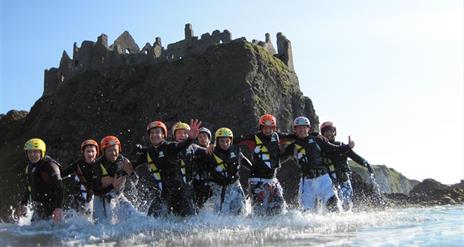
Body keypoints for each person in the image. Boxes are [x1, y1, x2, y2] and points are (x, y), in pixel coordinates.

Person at [283, 117, 353, 212]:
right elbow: (279, 160)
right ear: (295, 130)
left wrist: (347, 147)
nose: (302, 130)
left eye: (304, 127)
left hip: (323, 179)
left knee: (333, 205)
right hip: (307, 183)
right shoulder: (292, 147)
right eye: (299, 128)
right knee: (306, 213)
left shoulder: (317, 140)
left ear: (308, 128)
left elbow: (333, 148)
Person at [133, 119, 201, 217]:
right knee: (150, 218)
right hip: (164, 193)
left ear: (163, 135)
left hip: (180, 192)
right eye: (152, 133)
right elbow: (133, 166)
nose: (154, 135)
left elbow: (181, 145)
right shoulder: (148, 152)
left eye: (157, 132)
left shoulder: (170, 146)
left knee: (189, 220)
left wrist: (190, 138)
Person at [234, 114, 291, 216]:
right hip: (256, 180)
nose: (268, 130)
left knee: (279, 208)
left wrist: (315, 135)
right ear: (261, 127)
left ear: (274, 128)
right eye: (265, 127)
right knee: (259, 211)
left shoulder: (278, 137)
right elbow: (232, 141)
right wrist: (213, 145)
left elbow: (298, 137)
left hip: (272, 180)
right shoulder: (253, 138)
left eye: (270, 128)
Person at [320, 121, 374, 211]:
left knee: (347, 205)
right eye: (326, 132)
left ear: (335, 132)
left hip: (344, 181)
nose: (329, 133)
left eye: (331, 131)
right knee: (333, 204)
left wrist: (367, 164)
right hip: (330, 182)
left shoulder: (343, 146)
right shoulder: (321, 147)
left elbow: (355, 157)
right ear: (323, 134)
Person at [14, 138, 64, 224]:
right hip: (40, 205)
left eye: (35, 152)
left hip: (53, 205)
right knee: (34, 230)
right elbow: (29, 187)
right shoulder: (29, 167)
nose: (32, 155)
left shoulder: (50, 166)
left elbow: (60, 187)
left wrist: (58, 208)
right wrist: (23, 204)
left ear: (42, 152)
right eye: (30, 152)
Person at [91, 135, 138, 224]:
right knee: (102, 227)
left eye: (115, 150)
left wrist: (131, 173)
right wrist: (112, 185)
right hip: (101, 199)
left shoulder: (124, 161)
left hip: (118, 197)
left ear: (119, 149)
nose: (113, 153)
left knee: (137, 220)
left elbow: (135, 181)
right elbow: (95, 191)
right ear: (104, 152)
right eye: (109, 150)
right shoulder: (97, 165)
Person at [208, 128, 252, 215]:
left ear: (231, 141)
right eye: (221, 141)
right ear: (217, 141)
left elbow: (243, 160)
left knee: (242, 212)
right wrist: (210, 144)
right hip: (220, 188)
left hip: (235, 185)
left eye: (227, 141)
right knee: (221, 215)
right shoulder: (211, 152)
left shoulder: (235, 150)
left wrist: (253, 169)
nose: (225, 143)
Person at [62, 139, 99, 216]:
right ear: (83, 153)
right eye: (88, 151)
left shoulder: (100, 165)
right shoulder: (78, 165)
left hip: (95, 197)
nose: (90, 154)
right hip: (79, 197)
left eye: (92, 151)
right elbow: (62, 174)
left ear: (96, 152)